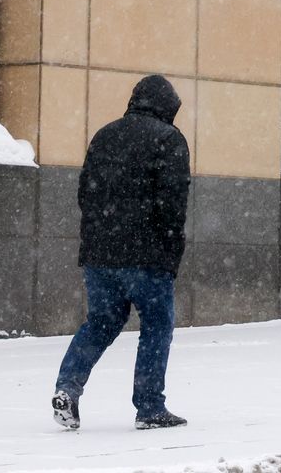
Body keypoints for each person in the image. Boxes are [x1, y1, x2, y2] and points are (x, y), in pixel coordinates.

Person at [51, 74, 192, 431]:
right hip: (146, 255)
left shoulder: (104, 134)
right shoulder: (169, 138)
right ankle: (149, 407)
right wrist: (170, 249)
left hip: (99, 254)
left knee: (101, 322)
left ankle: (67, 387)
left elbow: (85, 193)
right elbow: (173, 202)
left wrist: (102, 234)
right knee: (157, 325)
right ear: (166, 107)